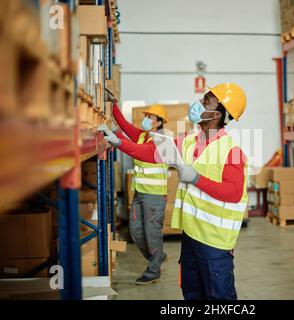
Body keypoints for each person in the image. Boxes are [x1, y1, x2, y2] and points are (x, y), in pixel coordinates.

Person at [99, 83, 248, 300]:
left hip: (215, 243)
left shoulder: (231, 150)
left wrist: (197, 179)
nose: (199, 103)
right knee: (192, 292)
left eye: (206, 101)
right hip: (190, 235)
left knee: (219, 297)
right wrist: (118, 142)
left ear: (216, 114)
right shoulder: (189, 140)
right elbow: (152, 152)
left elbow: (233, 193)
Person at [99, 104, 169, 285]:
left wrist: (118, 140)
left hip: (154, 196)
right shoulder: (143, 135)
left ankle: (154, 271)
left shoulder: (161, 140)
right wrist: (111, 106)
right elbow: (124, 125)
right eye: (146, 115)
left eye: (151, 117)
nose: (146, 119)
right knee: (136, 231)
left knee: (151, 234)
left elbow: (137, 151)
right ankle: (157, 256)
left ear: (160, 122)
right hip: (140, 193)